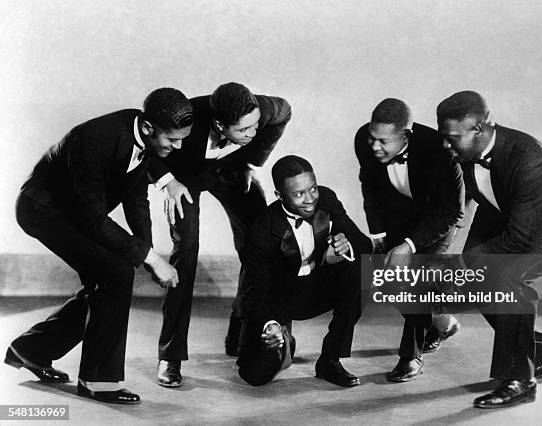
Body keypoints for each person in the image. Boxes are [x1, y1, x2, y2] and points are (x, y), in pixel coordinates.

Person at [5, 88, 193, 404]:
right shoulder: (95, 139)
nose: (178, 147)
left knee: (112, 277)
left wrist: (146, 252)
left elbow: (135, 196)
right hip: (43, 211)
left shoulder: (146, 139)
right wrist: (149, 257)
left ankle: (31, 350)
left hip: (76, 212)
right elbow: (90, 220)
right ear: (148, 128)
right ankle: (98, 381)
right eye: (173, 140)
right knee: (115, 274)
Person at [437, 90, 542, 408]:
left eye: (453, 137)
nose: (446, 145)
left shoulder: (527, 156)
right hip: (524, 220)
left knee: (509, 279)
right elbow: (486, 209)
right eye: (444, 136)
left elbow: (520, 239)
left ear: (480, 128)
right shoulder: (467, 154)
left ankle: (520, 381)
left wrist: (467, 260)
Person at [147, 82, 291, 387]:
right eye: (243, 131)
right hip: (185, 179)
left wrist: (252, 160)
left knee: (262, 245)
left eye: (255, 126)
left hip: (232, 173)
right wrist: (166, 180)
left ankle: (242, 331)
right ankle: (170, 356)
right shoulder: (188, 117)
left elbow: (283, 112)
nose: (252, 134)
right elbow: (147, 144)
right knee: (185, 256)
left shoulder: (262, 111)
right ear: (218, 124)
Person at [237, 155, 372, 387]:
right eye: (299, 194)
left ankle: (330, 360)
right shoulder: (261, 231)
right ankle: (282, 340)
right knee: (255, 376)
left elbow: (364, 245)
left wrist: (347, 243)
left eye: (313, 189)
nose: (310, 200)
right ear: (280, 196)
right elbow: (258, 292)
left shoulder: (326, 199)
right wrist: (271, 325)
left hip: (315, 287)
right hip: (277, 299)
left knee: (362, 270)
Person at [354, 98, 464, 382]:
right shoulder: (364, 141)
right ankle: (442, 322)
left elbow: (452, 211)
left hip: (438, 220)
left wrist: (409, 245)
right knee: (390, 280)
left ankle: (411, 356)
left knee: (413, 278)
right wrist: (378, 236)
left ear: (406, 135)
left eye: (383, 141)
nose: (375, 146)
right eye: (372, 138)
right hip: (400, 218)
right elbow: (370, 187)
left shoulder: (440, 150)